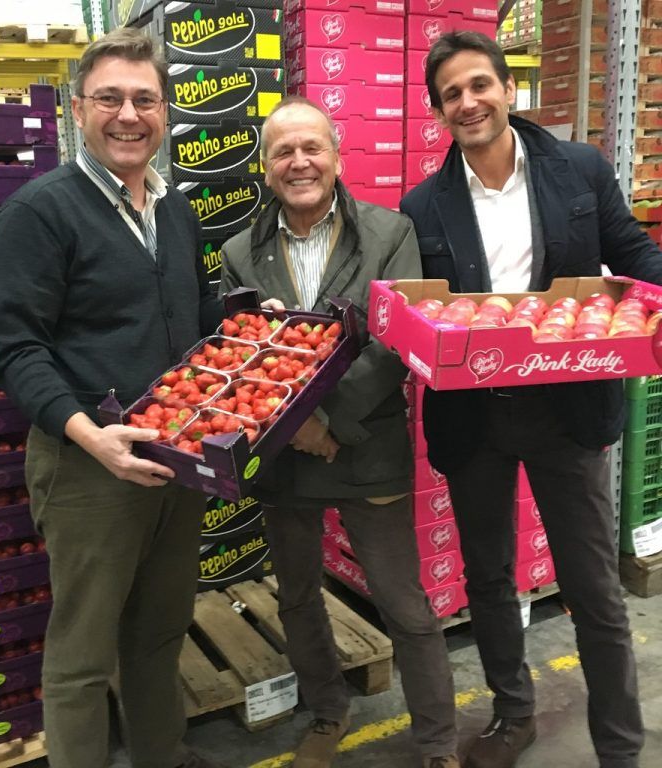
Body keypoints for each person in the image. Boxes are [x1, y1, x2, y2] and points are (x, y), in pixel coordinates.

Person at [401, 31, 662, 768]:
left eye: (479, 84)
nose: (469, 101)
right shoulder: (424, 205)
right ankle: (512, 717)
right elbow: (418, 307)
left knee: (593, 586)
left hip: (568, 407)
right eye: (452, 94)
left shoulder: (576, 168)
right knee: (488, 577)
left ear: (507, 88)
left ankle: (618, 748)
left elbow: (633, 250)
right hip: (475, 418)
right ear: (438, 112)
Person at [0, 28, 230, 768]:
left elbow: (190, 321)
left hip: (175, 459)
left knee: (159, 630)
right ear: (79, 108)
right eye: (111, 98)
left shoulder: (176, 211)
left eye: (145, 99)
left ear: (167, 112)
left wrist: (255, 325)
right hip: (90, 469)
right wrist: (93, 436)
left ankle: (162, 753)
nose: (129, 114)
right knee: (83, 657)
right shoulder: (42, 212)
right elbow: (19, 351)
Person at [219, 96, 459, 768]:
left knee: (403, 602)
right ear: (265, 167)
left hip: (364, 444)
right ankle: (327, 711)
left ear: (335, 156)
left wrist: (330, 423)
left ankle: (438, 742)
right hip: (284, 452)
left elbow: (397, 340)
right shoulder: (241, 252)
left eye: (311, 148)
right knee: (297, 593)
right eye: (283, 152)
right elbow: (241, 352)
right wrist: (297, 425)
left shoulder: (389, 232)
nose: (299, 162)